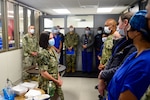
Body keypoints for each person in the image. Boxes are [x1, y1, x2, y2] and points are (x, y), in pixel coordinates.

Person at [107, 10, 150, 100]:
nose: (127, 30)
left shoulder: (143, 63)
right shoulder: (134, 55)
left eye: (130, 26)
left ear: (137, 32)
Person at [97, 12, 137, 100]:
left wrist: (102, 74)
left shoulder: (135, 47)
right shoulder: (122, 41)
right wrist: (103, 77)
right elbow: (112, 57)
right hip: (110, 81)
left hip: (119, 84)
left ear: (126, 23)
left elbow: (122, 68)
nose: (118, 27)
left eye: (119, 23)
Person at [37, 31, 64, 100]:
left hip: (55, 81)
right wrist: (56, 81)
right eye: (50, 38)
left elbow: (55, 66)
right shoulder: (43, 53)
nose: (53, 40)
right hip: (47, 84)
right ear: (45, 40)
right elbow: (43, 73)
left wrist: (58, 78)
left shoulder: (51, 49)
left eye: (53, 38)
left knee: (60, 97)